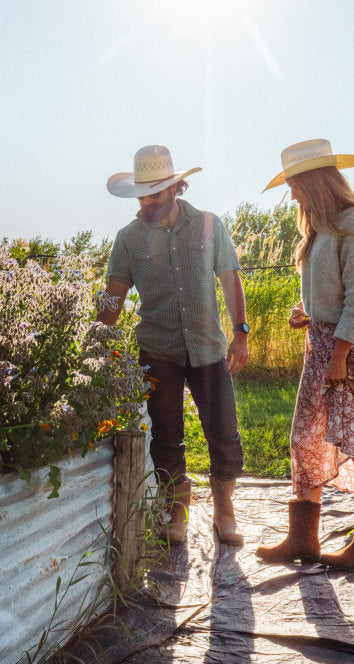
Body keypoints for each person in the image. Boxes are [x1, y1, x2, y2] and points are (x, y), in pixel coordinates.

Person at [98, 144, 249, 546]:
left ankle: (225, 513)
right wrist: (96, 339)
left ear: (176, 188)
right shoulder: (128, 239)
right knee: (166, 437)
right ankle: (176, 512)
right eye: (142, 195)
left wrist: (241, 333)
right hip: (157, 350)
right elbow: (114, 296)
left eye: (155, 193)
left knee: (224, 433)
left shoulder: (208, 225)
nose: (147, 201)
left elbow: (230, 278)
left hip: (208, 348)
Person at [254, 138, 354, 570]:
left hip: (348, 348)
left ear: (315, 181)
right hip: (323, 345)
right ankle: (303, 539)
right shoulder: (320, 229)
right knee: (305, 436)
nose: (292, 194)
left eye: (295, 184)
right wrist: (306, 311)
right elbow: (332, 291)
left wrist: (340, 353)